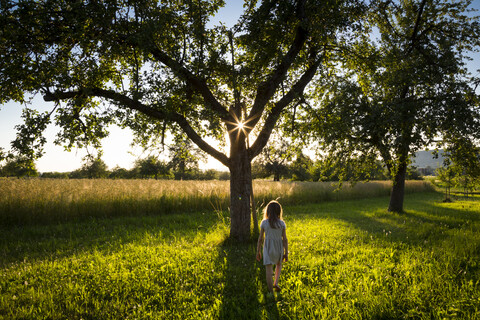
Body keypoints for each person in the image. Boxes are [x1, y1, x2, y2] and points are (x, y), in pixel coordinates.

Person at [256, 200, 289, 293]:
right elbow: (285, 239)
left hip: (268, 248)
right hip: (278, 248)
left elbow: (260, 239)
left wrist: (258, 251)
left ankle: (271, 291)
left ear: (268, 211)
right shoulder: (281, 224)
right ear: (279, 211)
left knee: (268, 270)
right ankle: (276, 283)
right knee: (279, 264)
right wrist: (286, 253)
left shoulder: (264, 223)